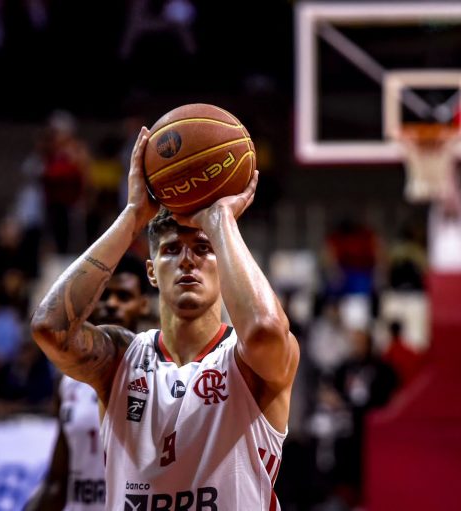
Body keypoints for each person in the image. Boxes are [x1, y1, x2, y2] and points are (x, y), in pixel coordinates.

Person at [31, 126, 299, 509]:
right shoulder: (121, 358)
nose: (187, 260)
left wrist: (221, 221)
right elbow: (49, 328)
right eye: (172, 250)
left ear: (225, 262)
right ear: (152, 272)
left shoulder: (247, 363)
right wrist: (132, 216)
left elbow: (266, 331)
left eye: (203, 249)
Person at [25, 254, 151, 511]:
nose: (111, 304)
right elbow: (57, 482)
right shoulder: (67, 381)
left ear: (143, 305)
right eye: (103, 296)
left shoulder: (162, 373)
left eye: (123, 296)